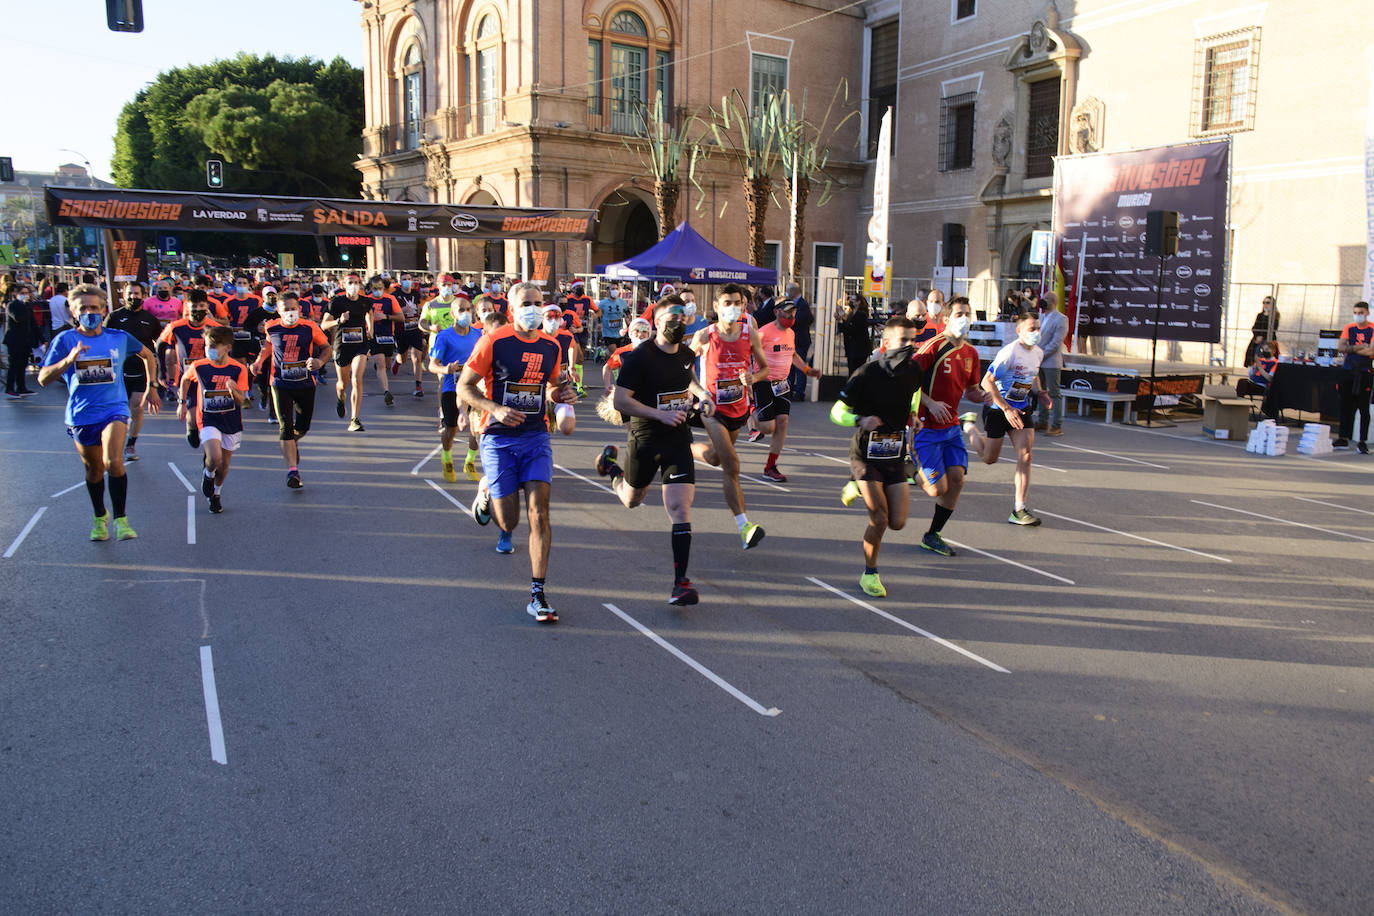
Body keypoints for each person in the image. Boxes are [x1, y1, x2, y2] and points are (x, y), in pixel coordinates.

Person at [457, 281, 575, 622]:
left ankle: (538, 593)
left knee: (540, 514)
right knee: (509, 520)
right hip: (498, 438)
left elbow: (552, 386)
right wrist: (493, 408)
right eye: (527, 303)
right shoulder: (493, 341)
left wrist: (560, 396)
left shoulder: (552, 345)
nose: (534, 309)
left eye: (539, 303)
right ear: (512, 308)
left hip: (536, 437)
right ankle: (486, 492)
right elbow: (464, 387)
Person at [595, 296, 715, 606]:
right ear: (657, 322)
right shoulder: (640, 357)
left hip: (677, 439)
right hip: (646, 438)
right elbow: (621, 401)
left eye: (681, 315)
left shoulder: (686, 354)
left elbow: (688, 378)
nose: (678, 320)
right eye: (671, 316)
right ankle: (610, 466)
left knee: (680, 507)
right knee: (632, 499)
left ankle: (681, 583)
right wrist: (659, 413)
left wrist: (703, 395)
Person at [37, 284, 161, 541]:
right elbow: (42, 379)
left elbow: (148, 355)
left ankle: (121, 520)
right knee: (94, 470)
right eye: (83, 308)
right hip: (82, 414)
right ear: (73, 312)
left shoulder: (118, 337)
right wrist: (68, 361)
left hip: (114, 409)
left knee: (112, 461)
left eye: (94, 307)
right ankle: (99, 516)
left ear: (104, 309)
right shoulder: (65, 340)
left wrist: (152, 386)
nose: (89, 312)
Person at [829, 316, 923, 598]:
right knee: (879, 519)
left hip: (895, 453)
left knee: (898, 522)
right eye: (903, 340)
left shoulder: (914, 370)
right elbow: (835, 412)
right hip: (865, 456)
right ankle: (869, 573)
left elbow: (915, 393)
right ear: (886, 343)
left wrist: (914, 414)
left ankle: (854, 485)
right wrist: (860, 419)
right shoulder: (866, 373)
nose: (909, 345)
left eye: (912, 340)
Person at [688, 284, 770, 549]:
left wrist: (753, 377)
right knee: (731, 465)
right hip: (712, 411)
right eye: (727, 302)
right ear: (716, 306)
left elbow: (765, 369)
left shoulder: (751, 335)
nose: (732, 307)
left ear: (744, 307)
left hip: (738, 410)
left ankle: (685, 448)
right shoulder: (704, 336)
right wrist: (701, 394)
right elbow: (684, 369)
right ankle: (744, 526)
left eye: (737, 303)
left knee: (714, 457)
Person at [910, 298, 984, 557]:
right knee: (936, 489)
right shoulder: (932, 348)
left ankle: (932, 535)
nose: (964, 318)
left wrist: (989, 397)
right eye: (959, 314)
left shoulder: (971, 354)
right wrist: (929, 403)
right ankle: (908, 468)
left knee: (957, 480)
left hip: (951, 426)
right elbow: (908, 381)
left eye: (967, 313)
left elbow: (973, 391)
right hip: (926, 427)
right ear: (947, 319)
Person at [965, 310, 1053, 526]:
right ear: (1019, 330)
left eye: (1038, 328)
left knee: (1026, 456)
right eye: (1031, 329)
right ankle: (968, 427)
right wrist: (1005, 408)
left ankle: (1019, 509)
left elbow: (1032, 377)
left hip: (1021, 409)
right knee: (989, 458)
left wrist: (1040, 392)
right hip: (998, 410)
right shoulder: (1009, 352)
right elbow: (987, 381)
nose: (1036, 332)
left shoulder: (1038, 353)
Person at [253, 292, 332, 489]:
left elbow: (327, 348)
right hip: (280, 383)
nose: (290, 313)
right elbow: (269, 347)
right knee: (285, 426)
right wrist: (258, 361)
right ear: (278, 311)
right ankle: (292, 471)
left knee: (303, 426)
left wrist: (319, 361)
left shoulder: (310, 327)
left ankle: (291, 443)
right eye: (286, 309)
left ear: (299, 309)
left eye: (293, 308)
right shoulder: (271, 327)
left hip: (305, 383)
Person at [178, 326, 248, 514]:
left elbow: (241, 400)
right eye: (208, 345)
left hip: (231, 421)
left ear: (227, 347)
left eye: (214, 346)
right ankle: (208, 475)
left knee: (224, 465)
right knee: (214, 457)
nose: (210, 349)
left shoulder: (238, 369)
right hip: (208, 418)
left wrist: (233, 390)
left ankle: (216, 494)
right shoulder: (199, 366)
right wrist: (182, 402)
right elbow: (185, 380)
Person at [751, 299, 823, 481]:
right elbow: (747, 353)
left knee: (782, 423)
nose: (791, 317)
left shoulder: (790, 333)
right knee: (768, 427)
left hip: (782, 384)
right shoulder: (763, 333)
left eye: (793, 313)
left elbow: (793, 354)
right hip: (763, 381)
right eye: (787, 313)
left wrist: (807, 370)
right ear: (776, 312)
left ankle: (770, 467)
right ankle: (750, 410)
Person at [103, 282, 163, 460]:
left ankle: (131, 444)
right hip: (118, 371)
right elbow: (104, 340)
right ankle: (114, 440)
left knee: (137, 406)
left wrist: (155, 381)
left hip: (141, 369)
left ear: (143, 296)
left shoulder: (150, 319)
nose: (133, 297)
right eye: (130, 294)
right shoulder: (114, 317)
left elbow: (158, 343)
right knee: (118, 410)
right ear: (124, 295)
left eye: (137, 294)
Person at [428, 293, 483, 483]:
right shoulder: (444, 336)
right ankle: (447, 456)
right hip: (452, 386)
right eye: (461, 310)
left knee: (476, 429)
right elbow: (431, 365)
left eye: (468, 309)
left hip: (475, 387)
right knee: (451, 428)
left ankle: (470, 461)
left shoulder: (478, 334)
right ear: (453, 314)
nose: (466, 313)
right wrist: (445, 369)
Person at [322, 272, 373, 431]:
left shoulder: (365, 301)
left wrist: (370, 328)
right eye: (350, 282)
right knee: (343, 384)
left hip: (360, 345)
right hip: (342, 346)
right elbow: (324, 325)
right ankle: (340, 397)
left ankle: (354, 419)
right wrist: (339, 320)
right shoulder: (336, 302)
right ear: (344, 284)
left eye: (356, 282)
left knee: (357, 379)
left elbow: (369, 314)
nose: (354, 285)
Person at [1335, 301, 1373, 452]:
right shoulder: (1349, 328)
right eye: (1356, 313)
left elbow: (1371, 352)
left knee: (1363, 407)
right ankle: (1343, 438)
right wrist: (1358, 347)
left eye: (1361, 313)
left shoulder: (1372, 328)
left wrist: (1350, 349)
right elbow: (1341, 347)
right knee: (1345, 405)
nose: (1358, 316)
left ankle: (1362, 441)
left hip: (1365, 371)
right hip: (1348, 370)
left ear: (1367, 313)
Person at [541, 302, 580, 436]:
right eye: (549, 317)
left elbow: (572, 346)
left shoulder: (566, 336)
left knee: (567, 427)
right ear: (542, 318)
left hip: (561, 386)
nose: (553, 320)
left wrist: (572, 367)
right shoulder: (535, 337)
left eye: (556, 317)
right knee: (542, 430)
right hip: (540, 390)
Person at [365, 275, 404, 408]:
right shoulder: (366, 300)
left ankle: (385, 365)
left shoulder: (390, 299)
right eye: (375, 288)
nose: (378, 290)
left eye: (380, 288)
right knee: (380, 363)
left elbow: (401, 317)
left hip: (387, 335)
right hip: (373, 335)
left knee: (386, 365)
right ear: (371, 288)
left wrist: (386, 316)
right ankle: (386, 392)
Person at [1032, 294, 1066, 436]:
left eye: (1045, 298)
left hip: (1051, 362)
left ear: (1052, 301)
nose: (1042, 300)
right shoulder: (1041, 317)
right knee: (1041, 392)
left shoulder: (1061, 319)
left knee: (1054, 393)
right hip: (1038, 360)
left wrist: (1042, 354)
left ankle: (1056, 424)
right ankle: (1042, 421)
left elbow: (1056, 342)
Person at [393, 272, 428, 399]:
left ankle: (418, 386)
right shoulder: (395, 295)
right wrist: (402, 311)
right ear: (400, 281)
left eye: (409, 279)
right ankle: (397, 362)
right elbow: (393, 313)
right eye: (404, 279)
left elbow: (419, 306)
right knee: (403, 357)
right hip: (402, 329)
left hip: (415, 328)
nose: (407, 281)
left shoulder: (415, 294)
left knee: (416, 357)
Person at [4, 281, 40, 398]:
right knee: (14, 364)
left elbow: (33, 323)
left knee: (23, 364)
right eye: (22, 293)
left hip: (25, 340)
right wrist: (26, 306)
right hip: (14, 340)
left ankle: (21, 387)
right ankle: (10, 388)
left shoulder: (27, 306)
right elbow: (18, 318)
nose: (26, 295)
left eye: (27, 293)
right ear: (16, 294)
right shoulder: (12, 305)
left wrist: (41, 338)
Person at [837, 293, 872, 375]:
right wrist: (840, 319)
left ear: (858, 302)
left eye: (853, 300)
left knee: (855, 372)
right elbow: (845, 328)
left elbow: (852, 329)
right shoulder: (852, 313)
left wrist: (842, 319)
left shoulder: (861, 315)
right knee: (852, 371)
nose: (850, 302)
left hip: (858, 349)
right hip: (852, 348)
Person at [1244, 295, 1280, 367]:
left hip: (1268, 339)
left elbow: (1272, 328)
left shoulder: (1275, 316)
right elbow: (1255, 327)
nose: (1265, 305)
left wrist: (1262, 337)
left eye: (1268, 302)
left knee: (1265, 353)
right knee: (1253, 353)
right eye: (1264, 302)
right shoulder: (1260, 315)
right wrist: (1257, 336)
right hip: (1257, 338)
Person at [597, 284, 629, 359]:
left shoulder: (622, 302)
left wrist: (628, 320)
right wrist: (599, 323)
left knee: (616, 352)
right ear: (608, 291)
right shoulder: (603, 303)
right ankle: (615, 370)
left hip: (619, 332)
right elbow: (598, 314)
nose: (615, 290)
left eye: (616, 288)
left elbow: (627, 313)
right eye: (612, 289)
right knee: (614, 353)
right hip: (608, 332)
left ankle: (603, 352)